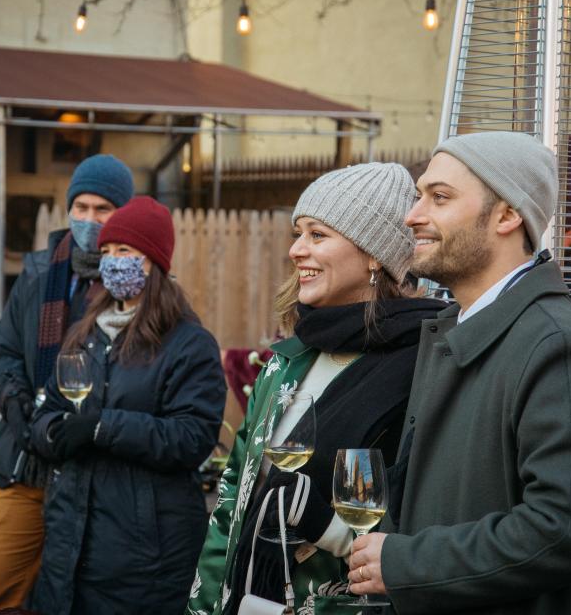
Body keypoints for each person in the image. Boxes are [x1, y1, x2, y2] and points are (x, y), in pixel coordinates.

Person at [347, 132, 571, 614]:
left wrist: (408, 562)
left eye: (439, 198)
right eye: (418, 195)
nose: (413, 216)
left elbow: (570, 530)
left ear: (507, 215)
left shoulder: (558, 344)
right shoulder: (458, 330)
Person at [187, 163, 446, 615]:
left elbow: (430, 518)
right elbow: (234, 495)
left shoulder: (426, 365)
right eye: (298, 233)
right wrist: (205, 604)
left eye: (317, 235)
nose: (295, 250)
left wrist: (325, 525)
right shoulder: (287, 360)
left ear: (373, 254)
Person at [28, 196, 226, 614]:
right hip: (70, 545)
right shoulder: (85, 333)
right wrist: (50, 433)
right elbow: (47, 408)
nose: (112, 261)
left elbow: (193, 437)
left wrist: (101, 427)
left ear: (153, 262)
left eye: (125, 252)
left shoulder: (188, 343)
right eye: (106, 252)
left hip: (143, 555)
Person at [0, 154, 134, 613]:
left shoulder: (133, 280)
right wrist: (17, 406)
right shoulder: (41, 270)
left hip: (91, 468)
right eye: (79, 207)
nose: (88, 219)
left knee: (72, 597)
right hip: (24, 460)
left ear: (123, 213)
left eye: (102, 209)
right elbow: (2, 351)